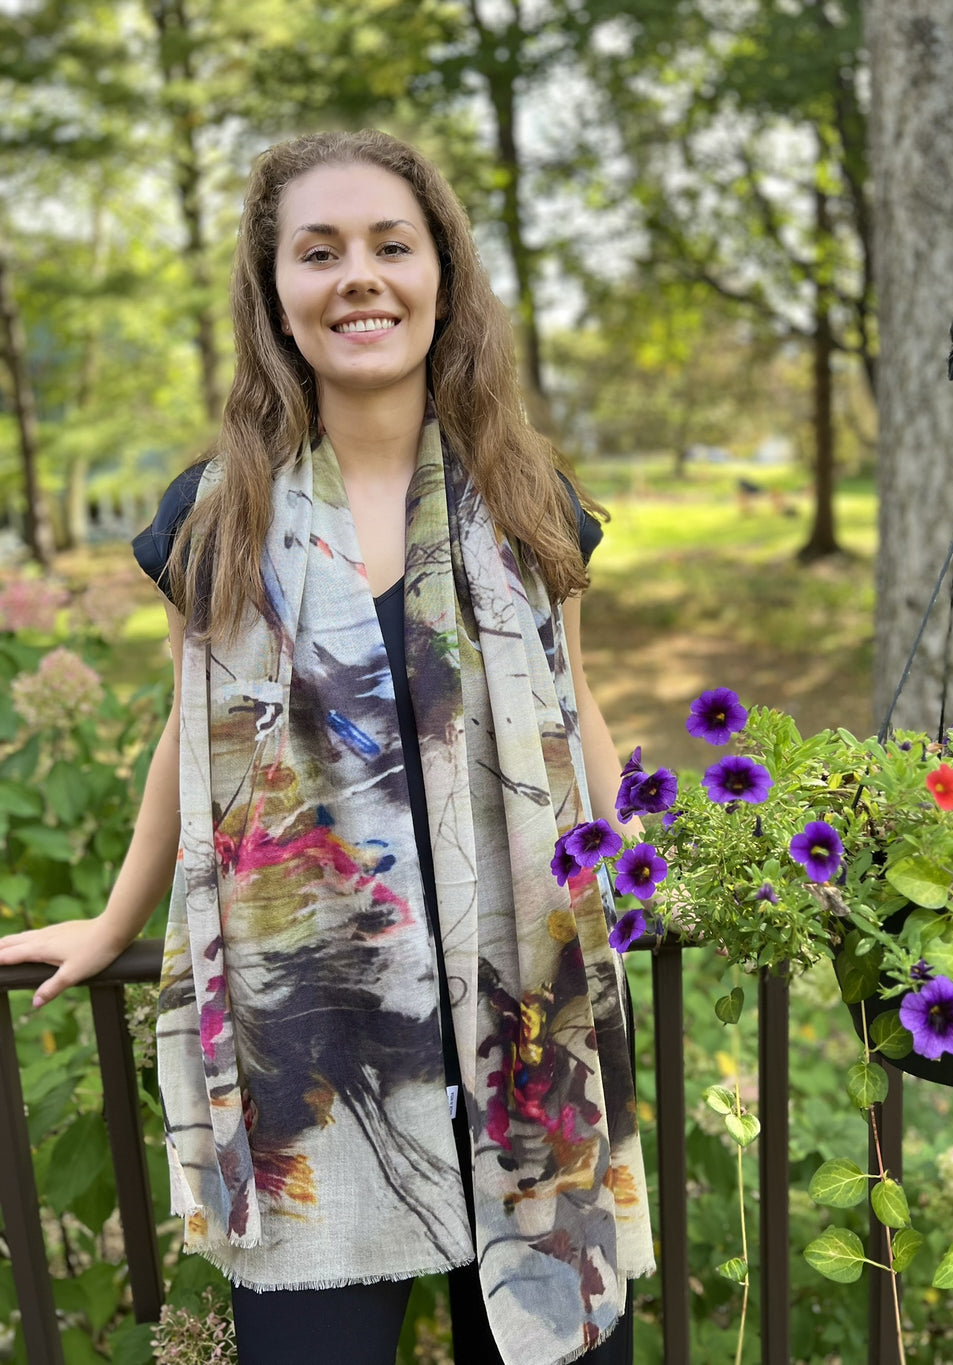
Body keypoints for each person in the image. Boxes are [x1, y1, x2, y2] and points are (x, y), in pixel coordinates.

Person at [0, 130, 654, 1365]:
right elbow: (187, 741)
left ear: (441, 279)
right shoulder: (217, 515)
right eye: (320, 252)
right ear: (275, 297)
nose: (359, 275)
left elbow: (577, 710)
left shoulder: (528, 502)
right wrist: (110, 921)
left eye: (389, 246)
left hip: (527, 1042)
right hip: (317, 1055)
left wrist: (659, 863)